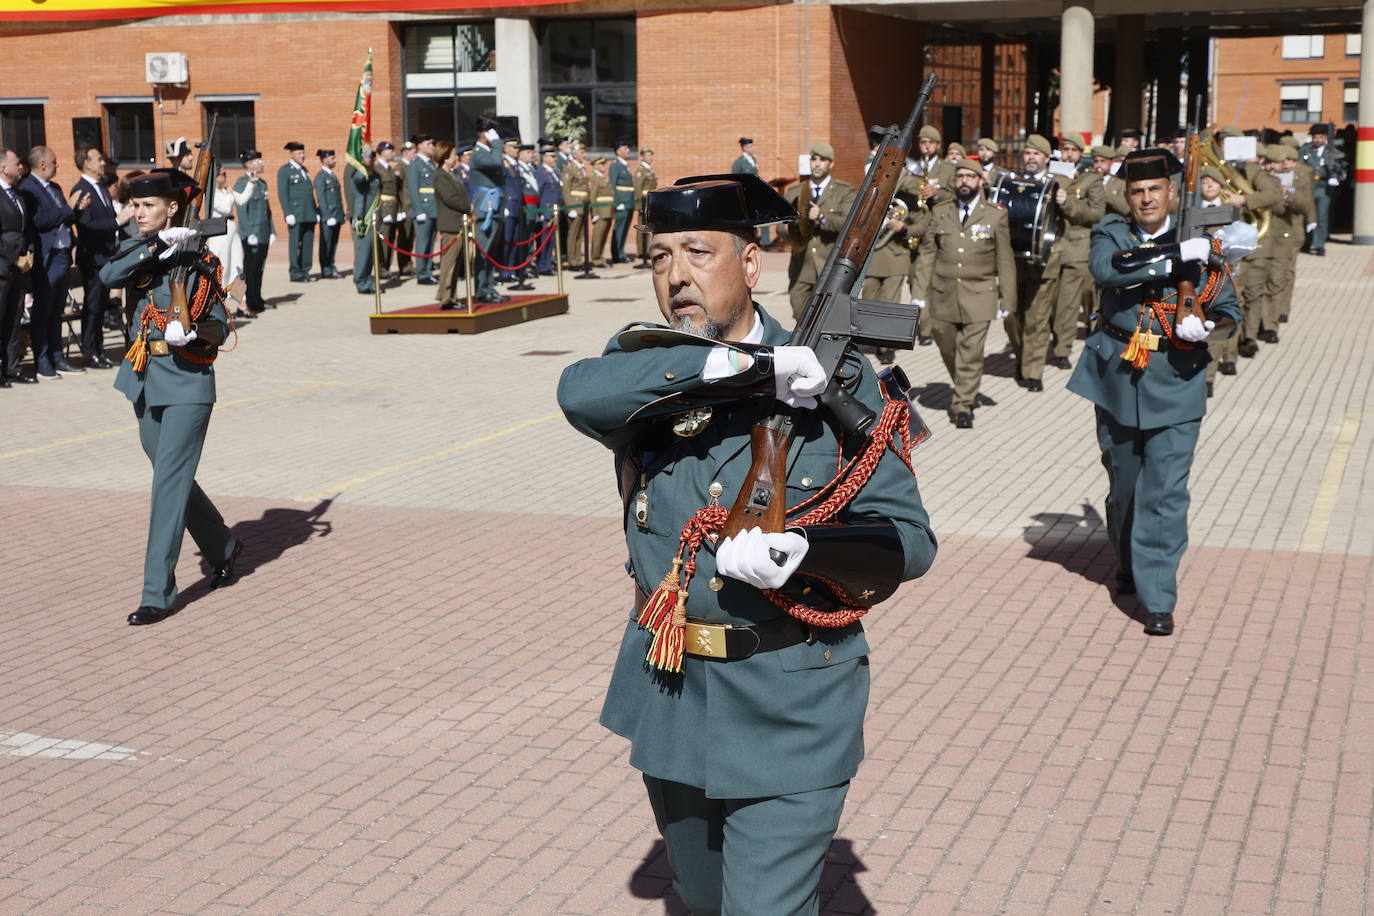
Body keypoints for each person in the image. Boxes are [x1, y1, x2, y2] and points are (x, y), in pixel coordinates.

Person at [557, 172, 936, 916]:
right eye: (660, 258)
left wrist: (808, 552)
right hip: (672, 687)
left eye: (698, 252)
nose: (677, 277)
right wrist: (746, 370)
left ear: (752, 263)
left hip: (793, 692)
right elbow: (578, 391)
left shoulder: (843, 378)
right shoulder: (653, 367)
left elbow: (912, 541)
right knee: (702, 903)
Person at [1067, 149, 1241, 637]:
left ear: (1170, 193)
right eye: (1137, 192)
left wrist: (1206, 326)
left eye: (1155, 190)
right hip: (1118, 376)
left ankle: (1159, 596)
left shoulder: (1203, 245)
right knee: (1124, 488)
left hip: (1178, 377)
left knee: (1164, 493)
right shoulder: (1112, 233)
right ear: (1128, 197)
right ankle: (1127, 561)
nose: (1146, 198)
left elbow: (1230, 310)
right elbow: (1109, 270)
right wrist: (1171, 256)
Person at [99, 168, 242, 627]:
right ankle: (223, 545)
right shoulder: (144, 249)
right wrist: (159, 246)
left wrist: (193, 330)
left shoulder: (198, 260)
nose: (137, 213)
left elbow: (219, 325)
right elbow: (108, 274)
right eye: (135, 206)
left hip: (186, 385)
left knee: (166, 488)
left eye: (147, 207)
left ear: (173, 208)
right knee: (171, 475)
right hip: (144, 376)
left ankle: (156, 593)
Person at [911, 158, 1017, 429]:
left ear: (981, 181)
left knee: (970, 352)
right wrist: (918, 291)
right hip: (943, 293)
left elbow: (1005, 260)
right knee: (947, 345)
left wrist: (1008, 298)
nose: (965, 182)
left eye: (971, 177)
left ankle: (963, 405)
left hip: (980, 294)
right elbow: (927, 254)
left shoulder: (995, 214)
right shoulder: (941, 211)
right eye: (960, 177)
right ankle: (964, 386)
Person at [20, 145, 90, 378]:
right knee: (43, 310)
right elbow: (40, 220)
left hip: (61, 255)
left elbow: (64, 216)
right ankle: (42, 361)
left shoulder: (56, 187)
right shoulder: (28, 189)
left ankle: (58, 356)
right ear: (42, 164)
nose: (57, 165)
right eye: (54, 161)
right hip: (45, 257)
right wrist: (69, 208)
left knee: (57, 309)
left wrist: (77, 210)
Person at [1047, 135, 1106, 370]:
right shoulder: (1053, 175)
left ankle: (1063, 349)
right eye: (1065, 149)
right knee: (1051, 302)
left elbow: (1095, 214)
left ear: (1081, 153)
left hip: (1077, 246)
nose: (1068, 154)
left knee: (1069, 304)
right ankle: (1056, 337)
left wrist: (1067, 203)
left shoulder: (1092, 179)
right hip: (1052, 244)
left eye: (1073, 150)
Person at [784, 141, 857, 319]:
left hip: (830, 265)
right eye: (814, 159)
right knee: (799, 311)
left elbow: (848, 224)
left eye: (822, 160)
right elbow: (780, 229)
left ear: (831, 164)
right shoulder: (794, 192)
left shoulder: (844, 191)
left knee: (826, 318)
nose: (817, 163)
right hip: (802, 266)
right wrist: (795, 225)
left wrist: (822, 217)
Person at [73, 145, 120, 369]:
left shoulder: (100, 187)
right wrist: (118, 222)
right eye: (98, 160)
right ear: (86, 163)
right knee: (92, 307)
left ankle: (99, 350)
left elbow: (108, 216)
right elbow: (87, 226)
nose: (103, 163)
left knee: (100, 307)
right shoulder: (82, 190)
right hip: (93, 259)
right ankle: (89, 352)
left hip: (106, 257)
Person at [0, 147, 35, 386]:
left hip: (19, 268)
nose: (20, 166)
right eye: (16, 162)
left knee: (14, 318)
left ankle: (12, 368)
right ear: (4, 168)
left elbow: (25, 228)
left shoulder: (18, 194)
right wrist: (11, 256)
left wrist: (29, 252)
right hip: (3, 266)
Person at [467, 119, 508, 303]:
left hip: (495, 203)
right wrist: (498, 144)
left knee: (492, 251)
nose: (495, 137)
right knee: (483, 250)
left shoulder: (488, 151)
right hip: (485, 205)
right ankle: (481, 289)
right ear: (483, 133)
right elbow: (496, 162)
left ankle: (489, 286)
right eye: (492, 132)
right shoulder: (477, 154)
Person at [233, 150, 273, 314]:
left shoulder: (262, 183)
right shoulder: (242, 182)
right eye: (258, 161)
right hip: (251, 234)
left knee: (259, 268)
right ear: (248, 164)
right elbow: (241, 210)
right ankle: (246, 301)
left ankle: (257, 299)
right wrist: (249, 232)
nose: (261, 163)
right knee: (249, 269)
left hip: (262, 231)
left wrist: (272, 231)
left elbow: (266, 210)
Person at [433, 140, 471, 309]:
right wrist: (468, 207)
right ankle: (446, 297)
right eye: (453, 154)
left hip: (458, 223)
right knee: (449, 263)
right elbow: (451, 198)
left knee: (456, 265)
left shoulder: (451, 174)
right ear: (446, 156)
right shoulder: (440, 175)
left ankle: (452, 296)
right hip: (450, 224)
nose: (456, 157)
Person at [1299, 123, 1345, 256]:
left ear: (1325, 138)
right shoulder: (1305, 150)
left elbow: (1339, 167)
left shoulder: (1331, 151)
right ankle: (1307, 242)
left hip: (1323, 186)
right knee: (1307, 216)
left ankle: (1319, 244)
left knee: (1321, 215)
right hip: (1308, 186)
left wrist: (1335, 177)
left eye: (1320, 137)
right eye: (1315, 137)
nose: (1317, 140)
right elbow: (1299, 164)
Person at [277, 141, 318, 283]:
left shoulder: (304, 170)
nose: (303, 155)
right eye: (300, 153)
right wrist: (287, 213)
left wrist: (315, 210)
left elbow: (309, 193)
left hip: (309, 213)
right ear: (292, 154)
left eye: (303, 152)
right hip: (295, 213)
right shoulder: (285, 171)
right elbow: (283, 193)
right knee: (295, 244)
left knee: (308, 243)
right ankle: (295, 272)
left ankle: (305, 271)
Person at [206, 165, 246, 313]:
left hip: (231, 229)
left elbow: (241, 199)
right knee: (223, 268)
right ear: (216, 177)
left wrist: (251, 183)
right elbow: (225, 208)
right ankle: (219, 305)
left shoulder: (224, 191)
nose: (225, 177)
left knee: (237, 266)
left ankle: (240, 301)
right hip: (219, 232)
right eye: (223, 174)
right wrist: (229, 194)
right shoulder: (211, 193)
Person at [346, 145, 382, 296]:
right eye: (369, 157)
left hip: (373, 217)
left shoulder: (374, 174)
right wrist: (364, 164)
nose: (372, 159)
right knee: (363, 252)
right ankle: (361, 282)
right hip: (363, 218)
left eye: (372, 157)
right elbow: (359, 185)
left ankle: (368, 280)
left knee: (371, 253)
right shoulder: (359, 174)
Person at [407, 134, 439, 285]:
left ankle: (427, 270)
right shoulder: (415, 165)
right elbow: (413, 189)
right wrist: (418, 210)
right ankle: (422, 273)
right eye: (429, 144)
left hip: (433, 207)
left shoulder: (431, 164)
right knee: (422, 241)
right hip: (424, 208)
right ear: (419, 146)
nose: (432, 147)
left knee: (431, 241)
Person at [313, 149, 344, 279]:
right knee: (326, 243)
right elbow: (321, 198)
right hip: (328, 216)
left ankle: (331, 265)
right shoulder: (321, 177)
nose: (334, 160)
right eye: (332, 158)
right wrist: (327, 216)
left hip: (336, 214)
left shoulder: (332, 175)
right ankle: (326, 268)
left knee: (334, 243)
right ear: (324, 160)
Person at [561, 142, 591, 271]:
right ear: (575, 154)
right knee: (573, 234)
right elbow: (566, 189)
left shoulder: (581, 168)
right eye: (582, 153)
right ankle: (572, 261)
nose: (584, 155)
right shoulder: (570, 168)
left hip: (583, 205)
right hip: (574, 204)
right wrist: (569, 207)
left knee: (580, 234)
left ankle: (578, 259)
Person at [535, 145, 563, 276]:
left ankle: (547, 263)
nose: (554, 159)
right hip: (545, 211)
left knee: (551, 240)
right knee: (544, 241)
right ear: (544, 158)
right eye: (552, 156)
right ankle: (543, 265)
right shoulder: (541, 172)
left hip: (553, 211)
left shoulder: (554, 172)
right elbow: (538, 192)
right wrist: (539, 212)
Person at [609, 140, 636, 263]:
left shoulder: (625, 165)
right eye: (625, 149)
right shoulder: (615, 165)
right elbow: (612, 186)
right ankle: (617, 254)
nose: (628, 151)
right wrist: (616, 202)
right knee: (619, 228)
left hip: (629, 201)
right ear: (618, 151)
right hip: (621, 201)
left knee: (625, 228)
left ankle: (621, 251)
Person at [587, 155, 615, 268]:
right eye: (602, 164)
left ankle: (599, 257)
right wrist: (595, 213)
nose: (604, 166)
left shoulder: (603, 178)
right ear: (596, 166)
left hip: (608, 211)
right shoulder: (593, 178)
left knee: (603, 236)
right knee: (598, 236)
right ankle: (595, 259)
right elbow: (593, 196)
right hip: (600, 212)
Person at [632, 147, 658, 269]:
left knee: (647, 226)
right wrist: (639, 206)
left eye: (651, 155)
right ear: (642, 157)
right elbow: (637, 189)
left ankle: (646, 250)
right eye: (648, 155)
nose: (650, 158)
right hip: (643, 202)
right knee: (642, 227)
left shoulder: (649, 170)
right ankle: (641, 251)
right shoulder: (641, 171)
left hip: (648, 201)